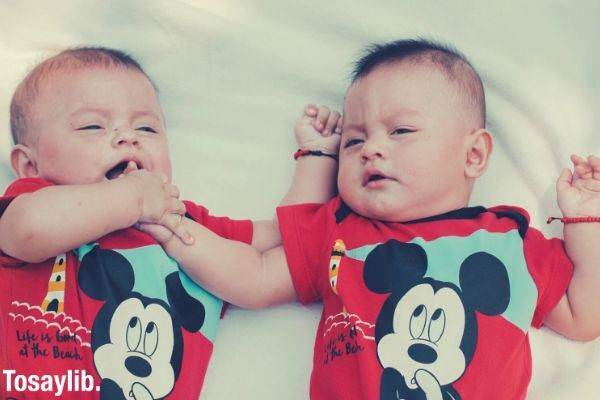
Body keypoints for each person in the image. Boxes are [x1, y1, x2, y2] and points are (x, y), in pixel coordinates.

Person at [141, 39, 600, 399]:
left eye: (401, 131)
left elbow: (584, 315)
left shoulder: (509, 242)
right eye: (354, 141)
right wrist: (178, 235)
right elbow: (256, 277)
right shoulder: (342, 231)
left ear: (474, 154)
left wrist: (584, 221)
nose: (373, 148)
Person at [0, 46, 341, 399]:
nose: (127, 137)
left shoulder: (180, 221)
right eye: (92, 126)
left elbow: (281, 237)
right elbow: (25, 231)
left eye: (146, 128)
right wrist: (132, 199)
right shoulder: (34, 199)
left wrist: (316, 157)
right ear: (29, 164)